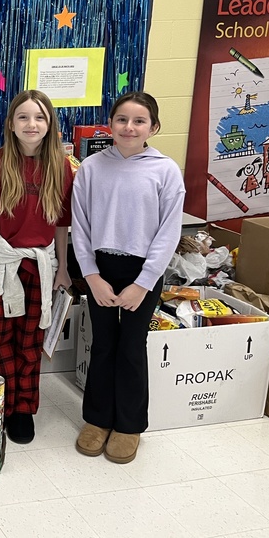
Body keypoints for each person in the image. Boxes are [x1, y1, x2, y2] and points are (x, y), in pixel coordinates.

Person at [72, 91, 184, 464]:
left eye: (139, 121)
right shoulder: (90, 168)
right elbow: (81, 226)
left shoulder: (165, 170)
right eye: (122, 119)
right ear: (111, 123)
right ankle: (98, 420)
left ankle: (129, 425)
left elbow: (168, 232)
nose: (129, 127)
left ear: (153, 126)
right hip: (101, 267)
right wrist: (91, 275)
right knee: (103, 344)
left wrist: (144, 282)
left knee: (132, 346)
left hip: (143, 270)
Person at [0, 90, 73, 444]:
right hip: (2, 262)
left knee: (31, 339)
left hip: (40, 264)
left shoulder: (59, 166)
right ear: (11, 124)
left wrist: (61, 267)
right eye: (24, 117)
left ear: (50, 125)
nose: (32, 124)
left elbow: (60, 222)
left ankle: (23, 408)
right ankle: (0, 407)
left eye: (40, 117)